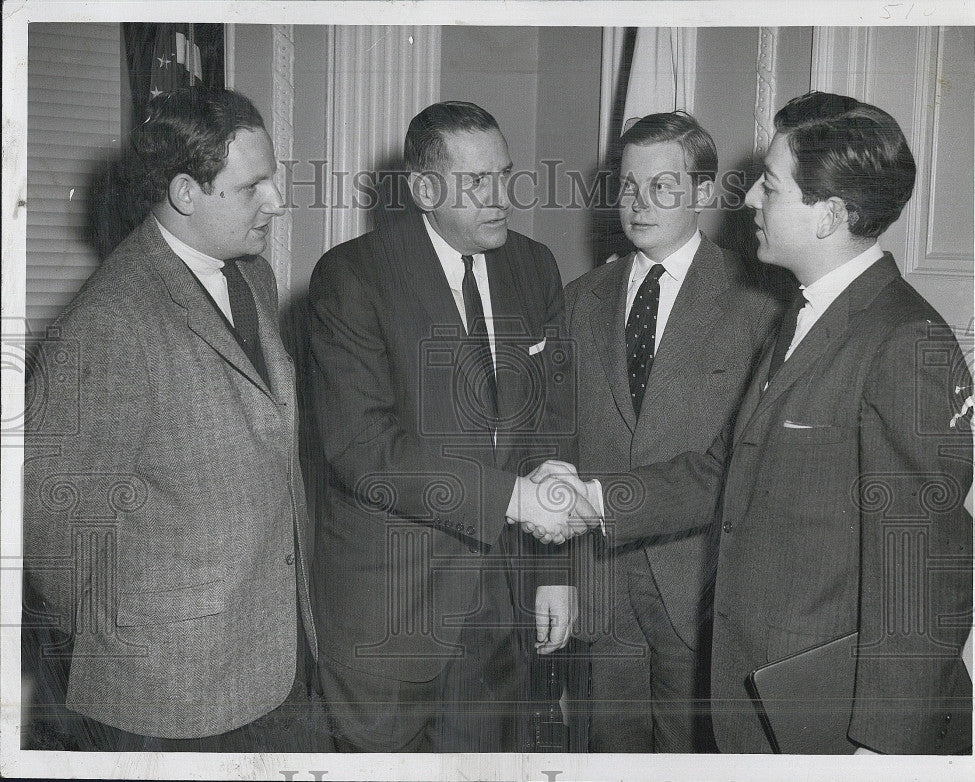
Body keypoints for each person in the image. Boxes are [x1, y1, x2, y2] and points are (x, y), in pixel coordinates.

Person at [515, 92, 974, 754]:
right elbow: (722, 471)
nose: (751, 198)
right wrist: (590, 500)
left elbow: (924, 571)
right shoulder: (802, 319)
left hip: (822, 705)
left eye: (771, 184)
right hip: (754, 683)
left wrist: (885, 746)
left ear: (830, 215)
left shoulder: (904, 341)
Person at [22, 87, 324, 752]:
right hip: (164, 699)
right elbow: (53, 534)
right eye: (255, 187)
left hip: (271, 661)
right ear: (187, 193)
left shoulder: (252, 279)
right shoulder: (107, 323)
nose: (276, 200)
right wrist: (131, 645)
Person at [307, 100, 591, 752]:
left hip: (499, 613)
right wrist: (513, 498)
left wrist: (556, 570)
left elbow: (551, 426)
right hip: (389, 613)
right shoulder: (352, 278)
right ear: (424, 189)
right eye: (477, 183)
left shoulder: (535, 266)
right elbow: (364, 449)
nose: (501, 198)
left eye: (506, 175)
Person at [564, 112, 782, 752]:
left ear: (705, 194)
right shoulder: (579, 299)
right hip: (600, 585)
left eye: (663, 186)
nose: (638, 204)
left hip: (701, 587)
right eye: (628, 186)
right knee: (608, 749)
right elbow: (560, 443)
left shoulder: (759, 302)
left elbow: (748, 466)